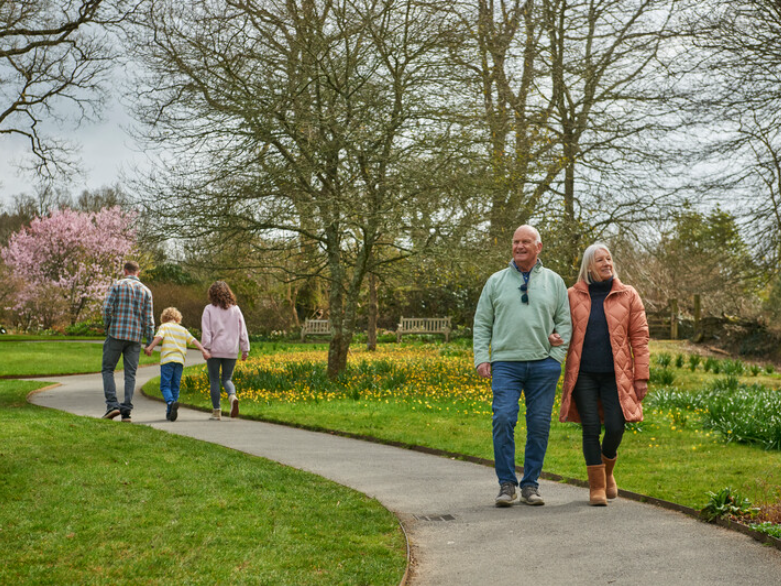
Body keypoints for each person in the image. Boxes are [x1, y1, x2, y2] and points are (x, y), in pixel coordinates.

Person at [473, 225, 572, 507]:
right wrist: (482, 356)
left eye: (526, 242)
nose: (519, 246)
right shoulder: (496, 281)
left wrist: (556, 358)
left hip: (543, 365)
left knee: (539, 425)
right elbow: (482, 322)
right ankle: (506, 485)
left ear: (538, 247)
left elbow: (565, 322)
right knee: (503, 418)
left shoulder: (554, 282)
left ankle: (530, 485)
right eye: (515, 241)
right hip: (506, 363)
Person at [554, 243, 649, 506]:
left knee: (617, 427)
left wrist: (641, 376)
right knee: (590, 429)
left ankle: (607, 471)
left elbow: (640, 338)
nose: (607, 263)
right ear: (589, 266)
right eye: (600, 260)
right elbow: (559, 326)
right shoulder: (572, 295)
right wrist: (554, 336)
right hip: (583, 374)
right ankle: (596, 487)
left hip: (616, 375)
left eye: (609, 259)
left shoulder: (628, 294)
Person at [101, 261, 154, 423]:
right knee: (130, 374)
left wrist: (108, 326)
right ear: (138, 272)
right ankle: (126, 411)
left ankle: (112, 405)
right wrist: (149, 340)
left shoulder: (117, 285)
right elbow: (148, 319)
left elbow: (107, 308)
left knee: (108, 369)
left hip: (116, 333)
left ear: (125, 271)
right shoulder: (146, 291)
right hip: (135, 337)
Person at [145, 307, 211, 421]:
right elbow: (194, 340)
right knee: (175, 386)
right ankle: (170, 412)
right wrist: (204, 351)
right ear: (177, 318)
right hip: (179, 361)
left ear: (164, 318)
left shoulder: (164, 326)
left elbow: (159, 337)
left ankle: (170, 403)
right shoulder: (182, 329)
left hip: (167, 360)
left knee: (165, 385)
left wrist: (150, 347)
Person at [201, 281, 250, 421]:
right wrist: (245, 349)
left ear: (211, 294)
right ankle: (232, 396)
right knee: (227, 379)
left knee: (214, 380)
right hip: (231, 350)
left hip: (214, 351)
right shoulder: (236, 309)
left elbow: (206, 331)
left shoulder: (209, 309)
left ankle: (216, 412)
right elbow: (243, 331)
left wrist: (206, 347)